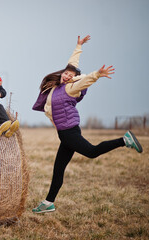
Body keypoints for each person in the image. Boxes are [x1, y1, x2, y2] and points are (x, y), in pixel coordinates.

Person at [31, 35, 143, 214]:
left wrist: (97, 74)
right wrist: (78, 46)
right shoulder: (59, 86)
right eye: (65, 73)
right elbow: (72, 64)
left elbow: (84, 80)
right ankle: (48, 202)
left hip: (70, 133)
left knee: (91, 152)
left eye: (70, 75)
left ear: (73, 79)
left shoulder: (71, 88)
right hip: (65, 134)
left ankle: (124, 140)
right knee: (58, 169)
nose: (67, 76)